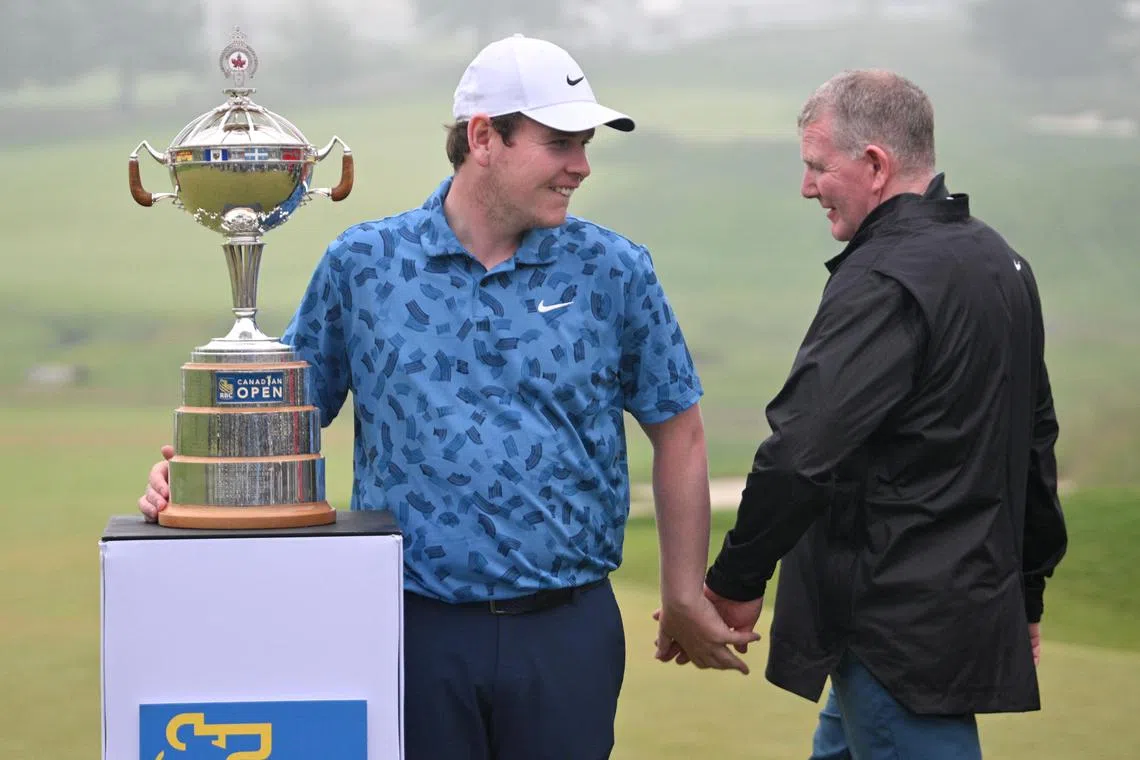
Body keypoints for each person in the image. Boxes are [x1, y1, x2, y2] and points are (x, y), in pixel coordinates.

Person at [139, 34, 757, 760]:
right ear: (484, 136)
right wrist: (207, 480)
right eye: (560, 143)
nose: (581, 167)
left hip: (568, 631)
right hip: (408, 628)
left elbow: (678, 430)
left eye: (585, 144)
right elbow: (290, 419)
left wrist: (683, 592)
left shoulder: (613, 269)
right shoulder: (365, 265)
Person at [663, 70, 1069, 759]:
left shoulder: (884, 278)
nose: (806, 186)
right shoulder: (1004, 262)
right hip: (942, 625)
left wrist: (734, 584)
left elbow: (800, 454)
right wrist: (1024, 594)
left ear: (875, 164)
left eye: (817, 166)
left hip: (889, 635)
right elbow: (1033, 447)